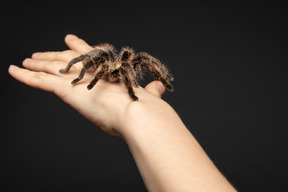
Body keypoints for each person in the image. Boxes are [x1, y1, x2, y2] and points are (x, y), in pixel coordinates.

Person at [8, 34, 237, 191]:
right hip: (106, 66)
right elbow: (91, 60)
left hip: (120, 73)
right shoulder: (104, 62)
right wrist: (81, 76)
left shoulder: (127, 65)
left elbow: (138, 62)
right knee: (97, 55)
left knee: (142, 57)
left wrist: (155, 86)